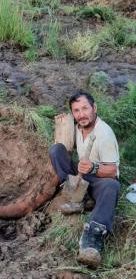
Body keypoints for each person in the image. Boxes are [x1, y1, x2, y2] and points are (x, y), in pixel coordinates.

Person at [49, 90, 120, 268]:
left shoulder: (104, 134)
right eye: (76, 111)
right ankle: (78, 197)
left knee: (111, 186)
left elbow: (112, 171)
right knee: (56, 150)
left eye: (85, 109)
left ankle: (92, 238)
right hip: (82, 175)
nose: (81, 115)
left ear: (94, 108)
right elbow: (65, 142)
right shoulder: (78, 127)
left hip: (100, 178)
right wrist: (62, 123)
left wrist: (93, 167)